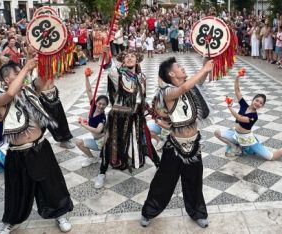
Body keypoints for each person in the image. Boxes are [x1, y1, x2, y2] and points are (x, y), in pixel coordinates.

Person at [0, 60, 73, 233]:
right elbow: (11, 93)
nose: (23, 75)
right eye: (16, 73)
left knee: (51, 184)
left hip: (39, 147)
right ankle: (12, 221)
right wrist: (26, 67)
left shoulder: (30, 91)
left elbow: (44, 80)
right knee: (17, 190)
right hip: (17, 153)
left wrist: (46, 56)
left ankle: (60, 214)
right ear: (7, 79)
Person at [141, 58, 213, 228]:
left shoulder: (190, 85)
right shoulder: (167, 92)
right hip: (174, 146)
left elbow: (198, 81)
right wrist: (203, 70)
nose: (182, 68)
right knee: (163, 182)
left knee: (194, 181)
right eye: (179, 67)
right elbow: (183, 88)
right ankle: (148, 212)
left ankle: (198, 212)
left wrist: (206, 62)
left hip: (194, 144)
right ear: (172, 74)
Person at [101, 50, 158, 188]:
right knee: (111, 143)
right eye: (127, 57)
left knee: (146, 138)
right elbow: (108, 66)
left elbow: (140, 97)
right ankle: (102, 173)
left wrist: (147, 107)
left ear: (137, 60)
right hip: (119, 117)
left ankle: (159, 164)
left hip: (137, 116)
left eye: (133, 56)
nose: (130, 58)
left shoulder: (141, 77)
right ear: (123, 61)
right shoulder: (118, 74)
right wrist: (106, 52)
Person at [214, 72, 282, 160]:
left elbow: (239, 118)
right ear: (253, 100)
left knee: (271, 157)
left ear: (262, 106)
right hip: (236, 135)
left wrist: (229, 106)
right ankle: (235, 147)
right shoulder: (244, 105)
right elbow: (237, 91)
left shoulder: (254, 116)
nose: (258, 103)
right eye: (257, 100)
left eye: (260, 103)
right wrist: (237, 77)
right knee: (217, 132)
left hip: (247, 139)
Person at [77, 70, 108, 188]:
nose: (100, 106)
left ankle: (103, 169)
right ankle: (92, 158)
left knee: (106, 157)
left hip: (102, 141)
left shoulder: (102, 117)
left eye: (103, 105)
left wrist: (84, 125)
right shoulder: (93, 107)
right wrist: (86, 77)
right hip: (95, 141)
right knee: (79, 142)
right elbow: (89, 91)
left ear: (105, 106)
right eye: (99, 103)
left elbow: (98, 131)